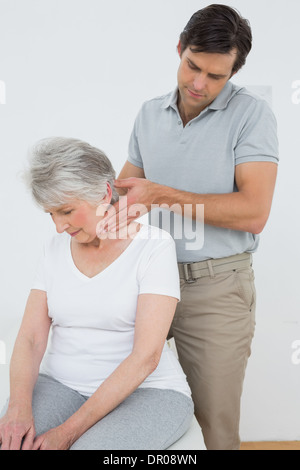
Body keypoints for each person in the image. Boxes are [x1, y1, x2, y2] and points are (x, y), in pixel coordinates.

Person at [96, 4, 279, 450]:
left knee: (214, 423)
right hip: (144, 282)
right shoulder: (148, 113)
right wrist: (83, 202)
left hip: (216, 289)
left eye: (216, 76)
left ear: (234, 71)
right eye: (192, 66)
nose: (199, 84)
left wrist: (160, 194)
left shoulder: (252, 116)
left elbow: (254, 211)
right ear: (180, 49)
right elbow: (124, 195)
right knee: (118, 406)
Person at [0, 137, 194, 451]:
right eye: (51, 214)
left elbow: (146, 358)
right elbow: (31, 338)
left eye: (66, 211)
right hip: (61, 385)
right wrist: (18, 406)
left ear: (104, 194)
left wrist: (67, 434)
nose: (59, 227)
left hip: (148, 393)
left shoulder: (154, 246)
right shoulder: (53, 249)